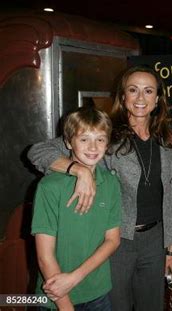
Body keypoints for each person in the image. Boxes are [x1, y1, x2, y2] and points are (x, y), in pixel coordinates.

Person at [28, 65, 172, 311]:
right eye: (133, 90)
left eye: (148, 91)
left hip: (156, 238)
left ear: (157, 99)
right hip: (118, 238)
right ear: (123, 96)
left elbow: (170, 197)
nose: (140, 98)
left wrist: (171, 251)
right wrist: (78, 170)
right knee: (118, 305)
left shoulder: (167, 137)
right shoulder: (107, 133)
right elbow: (38, 152)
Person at [32, 107, 121, 310]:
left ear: (107, 143)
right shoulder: (50, 186)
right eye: (83, 139)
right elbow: (44, 257)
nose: (92, 146)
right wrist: (65, 305)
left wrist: (74, 278)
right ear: (68, 142)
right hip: (54, 297)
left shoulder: (110, 183)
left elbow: (112, 240)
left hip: (98, 292)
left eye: (100, 139)